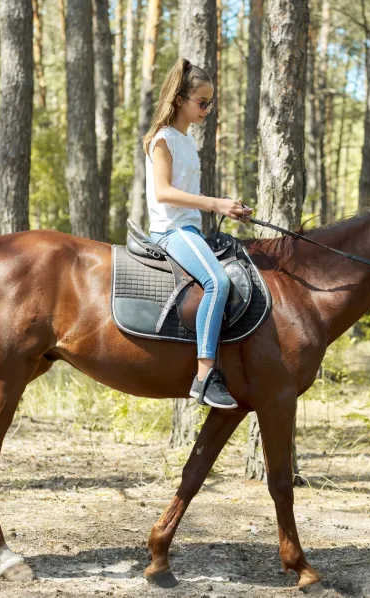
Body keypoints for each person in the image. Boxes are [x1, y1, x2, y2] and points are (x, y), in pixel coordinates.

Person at [143, 58, 252, 409]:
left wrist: (228, 209)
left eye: (210, 103)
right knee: (217, 282)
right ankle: (204, 376)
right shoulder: (163, 139)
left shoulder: (187, 139)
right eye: (201, 102)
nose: (207, 109)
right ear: (179, 99)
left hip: (189, 228)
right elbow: (163, 192)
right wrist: (215, 204)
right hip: (170, 229)